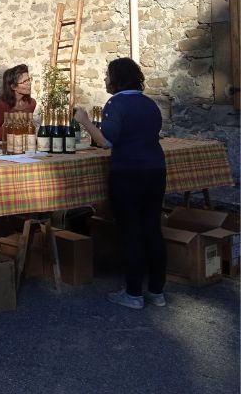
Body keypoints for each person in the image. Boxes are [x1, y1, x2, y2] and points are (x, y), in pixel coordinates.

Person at [74, 58, 167, 310]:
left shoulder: (116, 103)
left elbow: (105, 141)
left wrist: (84, 120)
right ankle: (157, 291)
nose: (104, 79)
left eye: (107, 75)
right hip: (156, 170)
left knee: (131, 231)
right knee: (152, 228)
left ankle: (133, 293)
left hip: (128, 172)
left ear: (116, 78)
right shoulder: (150, 104)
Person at [0, 64, 37, 141]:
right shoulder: (1, 104)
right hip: (6, 146)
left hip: (25, 145)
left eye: (29, 79)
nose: (29, 83)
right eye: (24, 81)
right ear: (13, 87)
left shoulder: (31, 103)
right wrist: (14, 128)